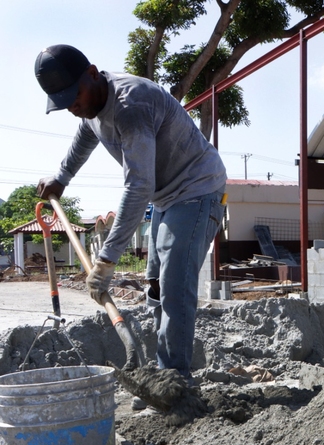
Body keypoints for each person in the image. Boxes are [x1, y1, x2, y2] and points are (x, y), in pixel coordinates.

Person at [34, 44, 227, 384]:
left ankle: (174, 381)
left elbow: (138, 185)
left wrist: (106, 261)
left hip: (197, 188)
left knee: (174, 287)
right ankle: (159, 370)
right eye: (64, 103)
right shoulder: (90, 108)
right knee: (154, 287)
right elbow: (84, 136)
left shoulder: (131, 105)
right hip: (166, 197)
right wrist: (62, 177)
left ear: (93, 73)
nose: (73, 107)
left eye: (74, 96)